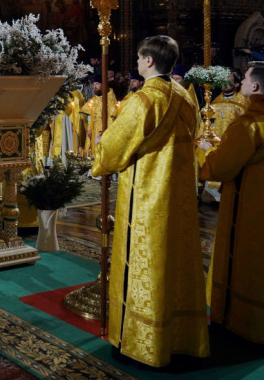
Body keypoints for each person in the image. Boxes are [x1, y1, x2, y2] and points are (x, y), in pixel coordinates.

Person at [91, 35, 209, 367]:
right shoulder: (186, 98)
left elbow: (113, 150)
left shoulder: (142, 101)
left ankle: (138, 345)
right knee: (177, 263)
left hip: (145, 200)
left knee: (142, 265)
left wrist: (101, 145)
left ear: (149, 62)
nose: (138, 62)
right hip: (180, 198)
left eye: (141, 58)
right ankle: (181, 338)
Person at [199, 61, 264, 346]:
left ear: (254, 86)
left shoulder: (248, 124)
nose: (240, 83)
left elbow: (220, 169)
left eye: (244, 79)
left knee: (245, 261)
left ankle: (243, 324)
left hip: (247, 209)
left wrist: (207, 151)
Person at [80, 73, 118, 155]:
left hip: (105, 132)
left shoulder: (110, 99)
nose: (95, 86)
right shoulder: (93, 99)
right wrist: (89, 128)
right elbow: (89, 115)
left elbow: (114, 117)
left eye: (97, 84)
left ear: (104, 85)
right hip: (93, 131)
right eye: (94, 84)